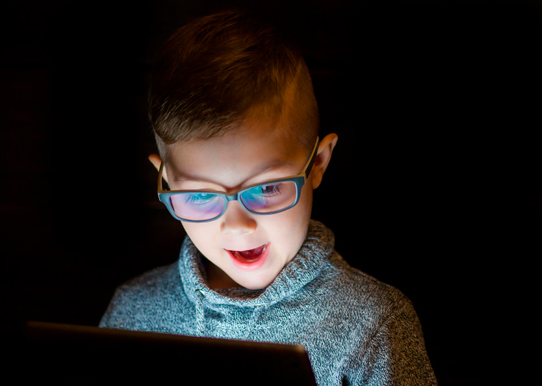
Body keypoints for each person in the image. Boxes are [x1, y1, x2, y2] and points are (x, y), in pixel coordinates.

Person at [100, 10, 437, 386]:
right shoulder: (131, 313)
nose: (237, 225)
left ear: (318, 165)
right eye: (199, 195)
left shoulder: (374, 325)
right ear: (164, 180)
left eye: (266, 188)